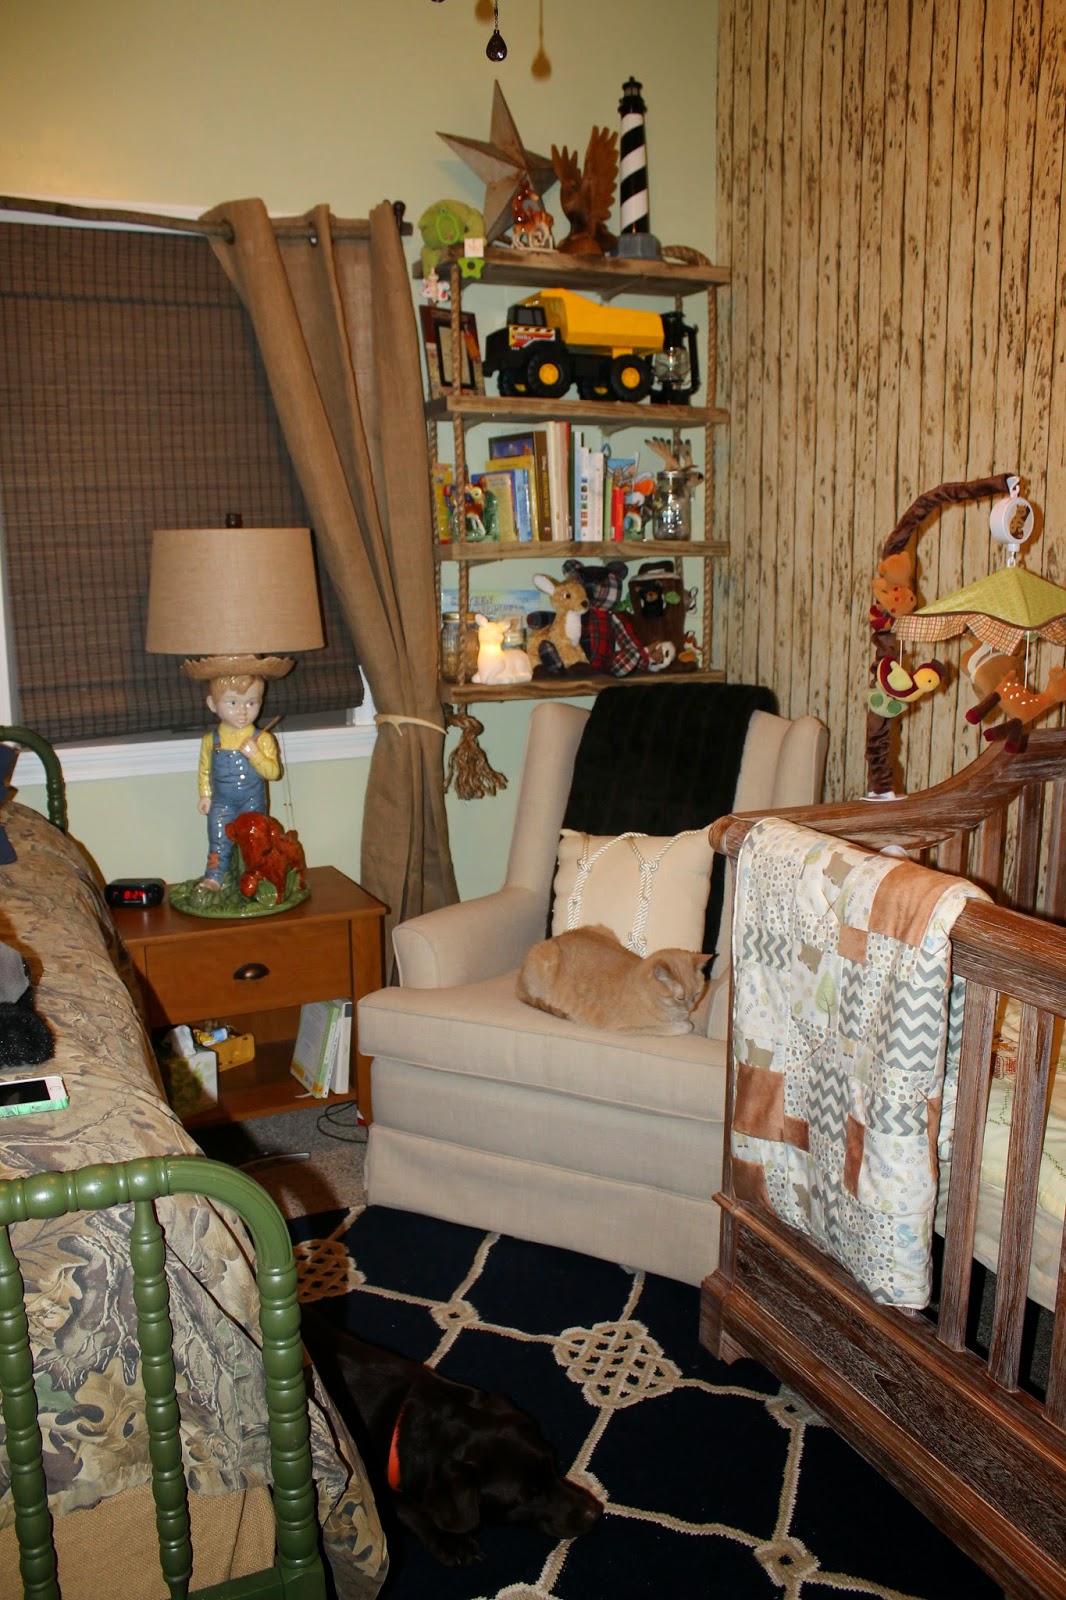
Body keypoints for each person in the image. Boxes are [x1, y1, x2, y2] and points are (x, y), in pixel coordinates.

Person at [196, 673, 281, 890]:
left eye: (251, 703)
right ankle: (214, 876)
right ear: (212, 704)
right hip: (221, 802)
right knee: (218, 838)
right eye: (233, 703)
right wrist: (205, 794)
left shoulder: (264, 739)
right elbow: (205, 769)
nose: (243, 711)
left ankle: (257, 876)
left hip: (252, 801)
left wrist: (255, 755)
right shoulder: (210, 740)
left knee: (255, 840)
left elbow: (273, 773)